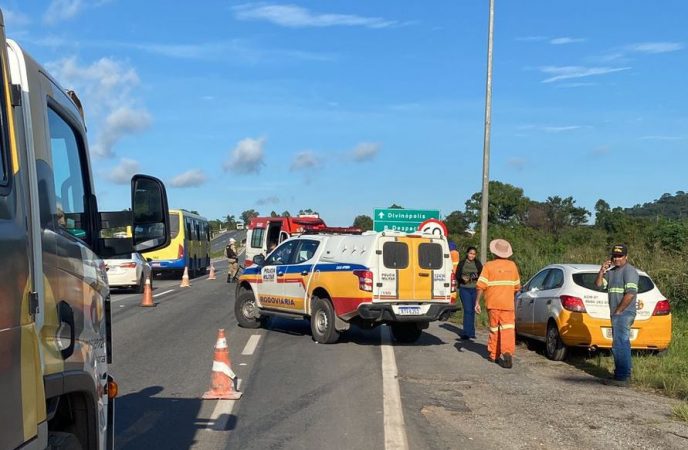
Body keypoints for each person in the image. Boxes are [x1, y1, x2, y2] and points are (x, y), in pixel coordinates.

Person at [595, 244, 639, 387]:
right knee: (620, 343)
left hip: (624, 313)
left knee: (620, 344)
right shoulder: (612, 272)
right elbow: (598, 285)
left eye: (620, 256)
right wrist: (602, 271)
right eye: (615, 256)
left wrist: (619, 311)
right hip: (617, 313)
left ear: (626, 257)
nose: (617, 258)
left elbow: (631, 293)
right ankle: (622, 374)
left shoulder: (630, 271)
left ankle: (622, 378)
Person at [475, 239, 521, 368]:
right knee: (508, 330)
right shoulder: (512, 266)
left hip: (493, 304)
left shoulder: (489, 266)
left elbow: (480, 286)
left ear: (494, 252)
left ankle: (493, 355)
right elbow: (517, 287)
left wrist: (477, 302)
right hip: (508, 305)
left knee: (494, 329)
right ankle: (507, 353)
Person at [456, 246, 482, 340]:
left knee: (472, 310)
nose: (472, 255)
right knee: (467, 310)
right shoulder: (462, 263)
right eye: (470, 253)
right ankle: (466, 333)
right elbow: (457, 275)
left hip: (475, 289)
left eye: (474, 254)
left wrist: (471, 277)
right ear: (467, 253)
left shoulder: (478, 263)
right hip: (464, 289)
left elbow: (481, 275)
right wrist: (463, 279)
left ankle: (472, 332)